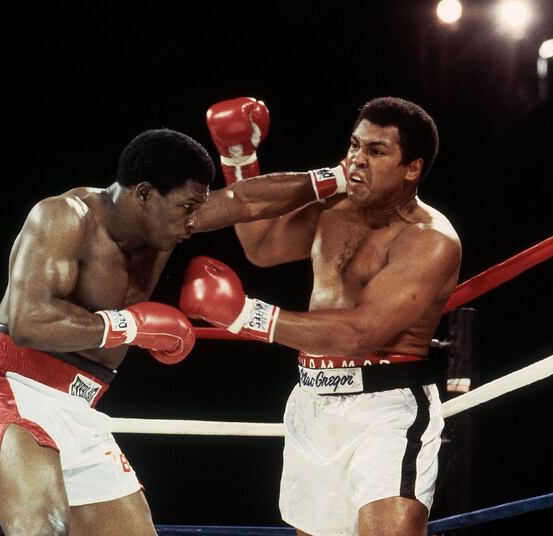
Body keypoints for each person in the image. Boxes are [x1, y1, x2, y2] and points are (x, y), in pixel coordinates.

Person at [0, 119, 347, 535]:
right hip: (15, 384)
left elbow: (244, 201)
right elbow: (29, 321)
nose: (195, 221)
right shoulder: (64, 217)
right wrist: (130, 326)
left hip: (81, 404)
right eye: (188, 208)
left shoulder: (167, 223)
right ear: (144, 194)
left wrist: (339, 176)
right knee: (41, 528)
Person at [181, 96, 461, 536]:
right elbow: (263, 245)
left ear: (412, 168)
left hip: (386, 410)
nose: (357, 160)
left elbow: (360, 331)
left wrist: (243, 315)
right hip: (312, 402)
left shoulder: (430, 240)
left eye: (377, 151)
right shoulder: (336, 211)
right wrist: (239, 158)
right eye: (355, 146)